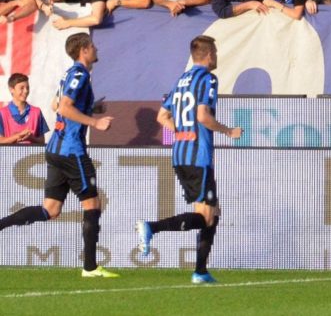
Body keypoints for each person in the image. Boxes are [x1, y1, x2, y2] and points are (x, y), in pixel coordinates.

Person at [0, 34, 117, 277]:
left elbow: (55, 105)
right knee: (92, 204)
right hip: (71, 150)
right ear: (84, 50)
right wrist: (95, 122)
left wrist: (90, 108)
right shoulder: (79, 75)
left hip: (55, 149)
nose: (96, 48)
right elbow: (63, 107)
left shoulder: (69, 74)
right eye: (92, 46)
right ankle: (90, 267)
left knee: (51, 210)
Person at [136, 35, 243, 285]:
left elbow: (162, 116)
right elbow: (203, 116)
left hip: (180, 154)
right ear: (209, 55)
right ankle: (151, 227)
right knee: (207, 217)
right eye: (215, 52)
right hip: (198, 156)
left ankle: (201, 271)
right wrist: (228, 131)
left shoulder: (181, 80)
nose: (216, 56)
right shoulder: (208, 79)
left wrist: (181, 132)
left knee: (211, 213)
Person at [0, 72, 47, 144]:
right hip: (9, 152)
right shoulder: (2, 113)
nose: (26, 91)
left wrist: (31, 138)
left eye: (27, 88)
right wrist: (18, 135)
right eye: (21, 88)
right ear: (11, 89)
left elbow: (42, 141)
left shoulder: (36, 112)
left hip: (32, 152)